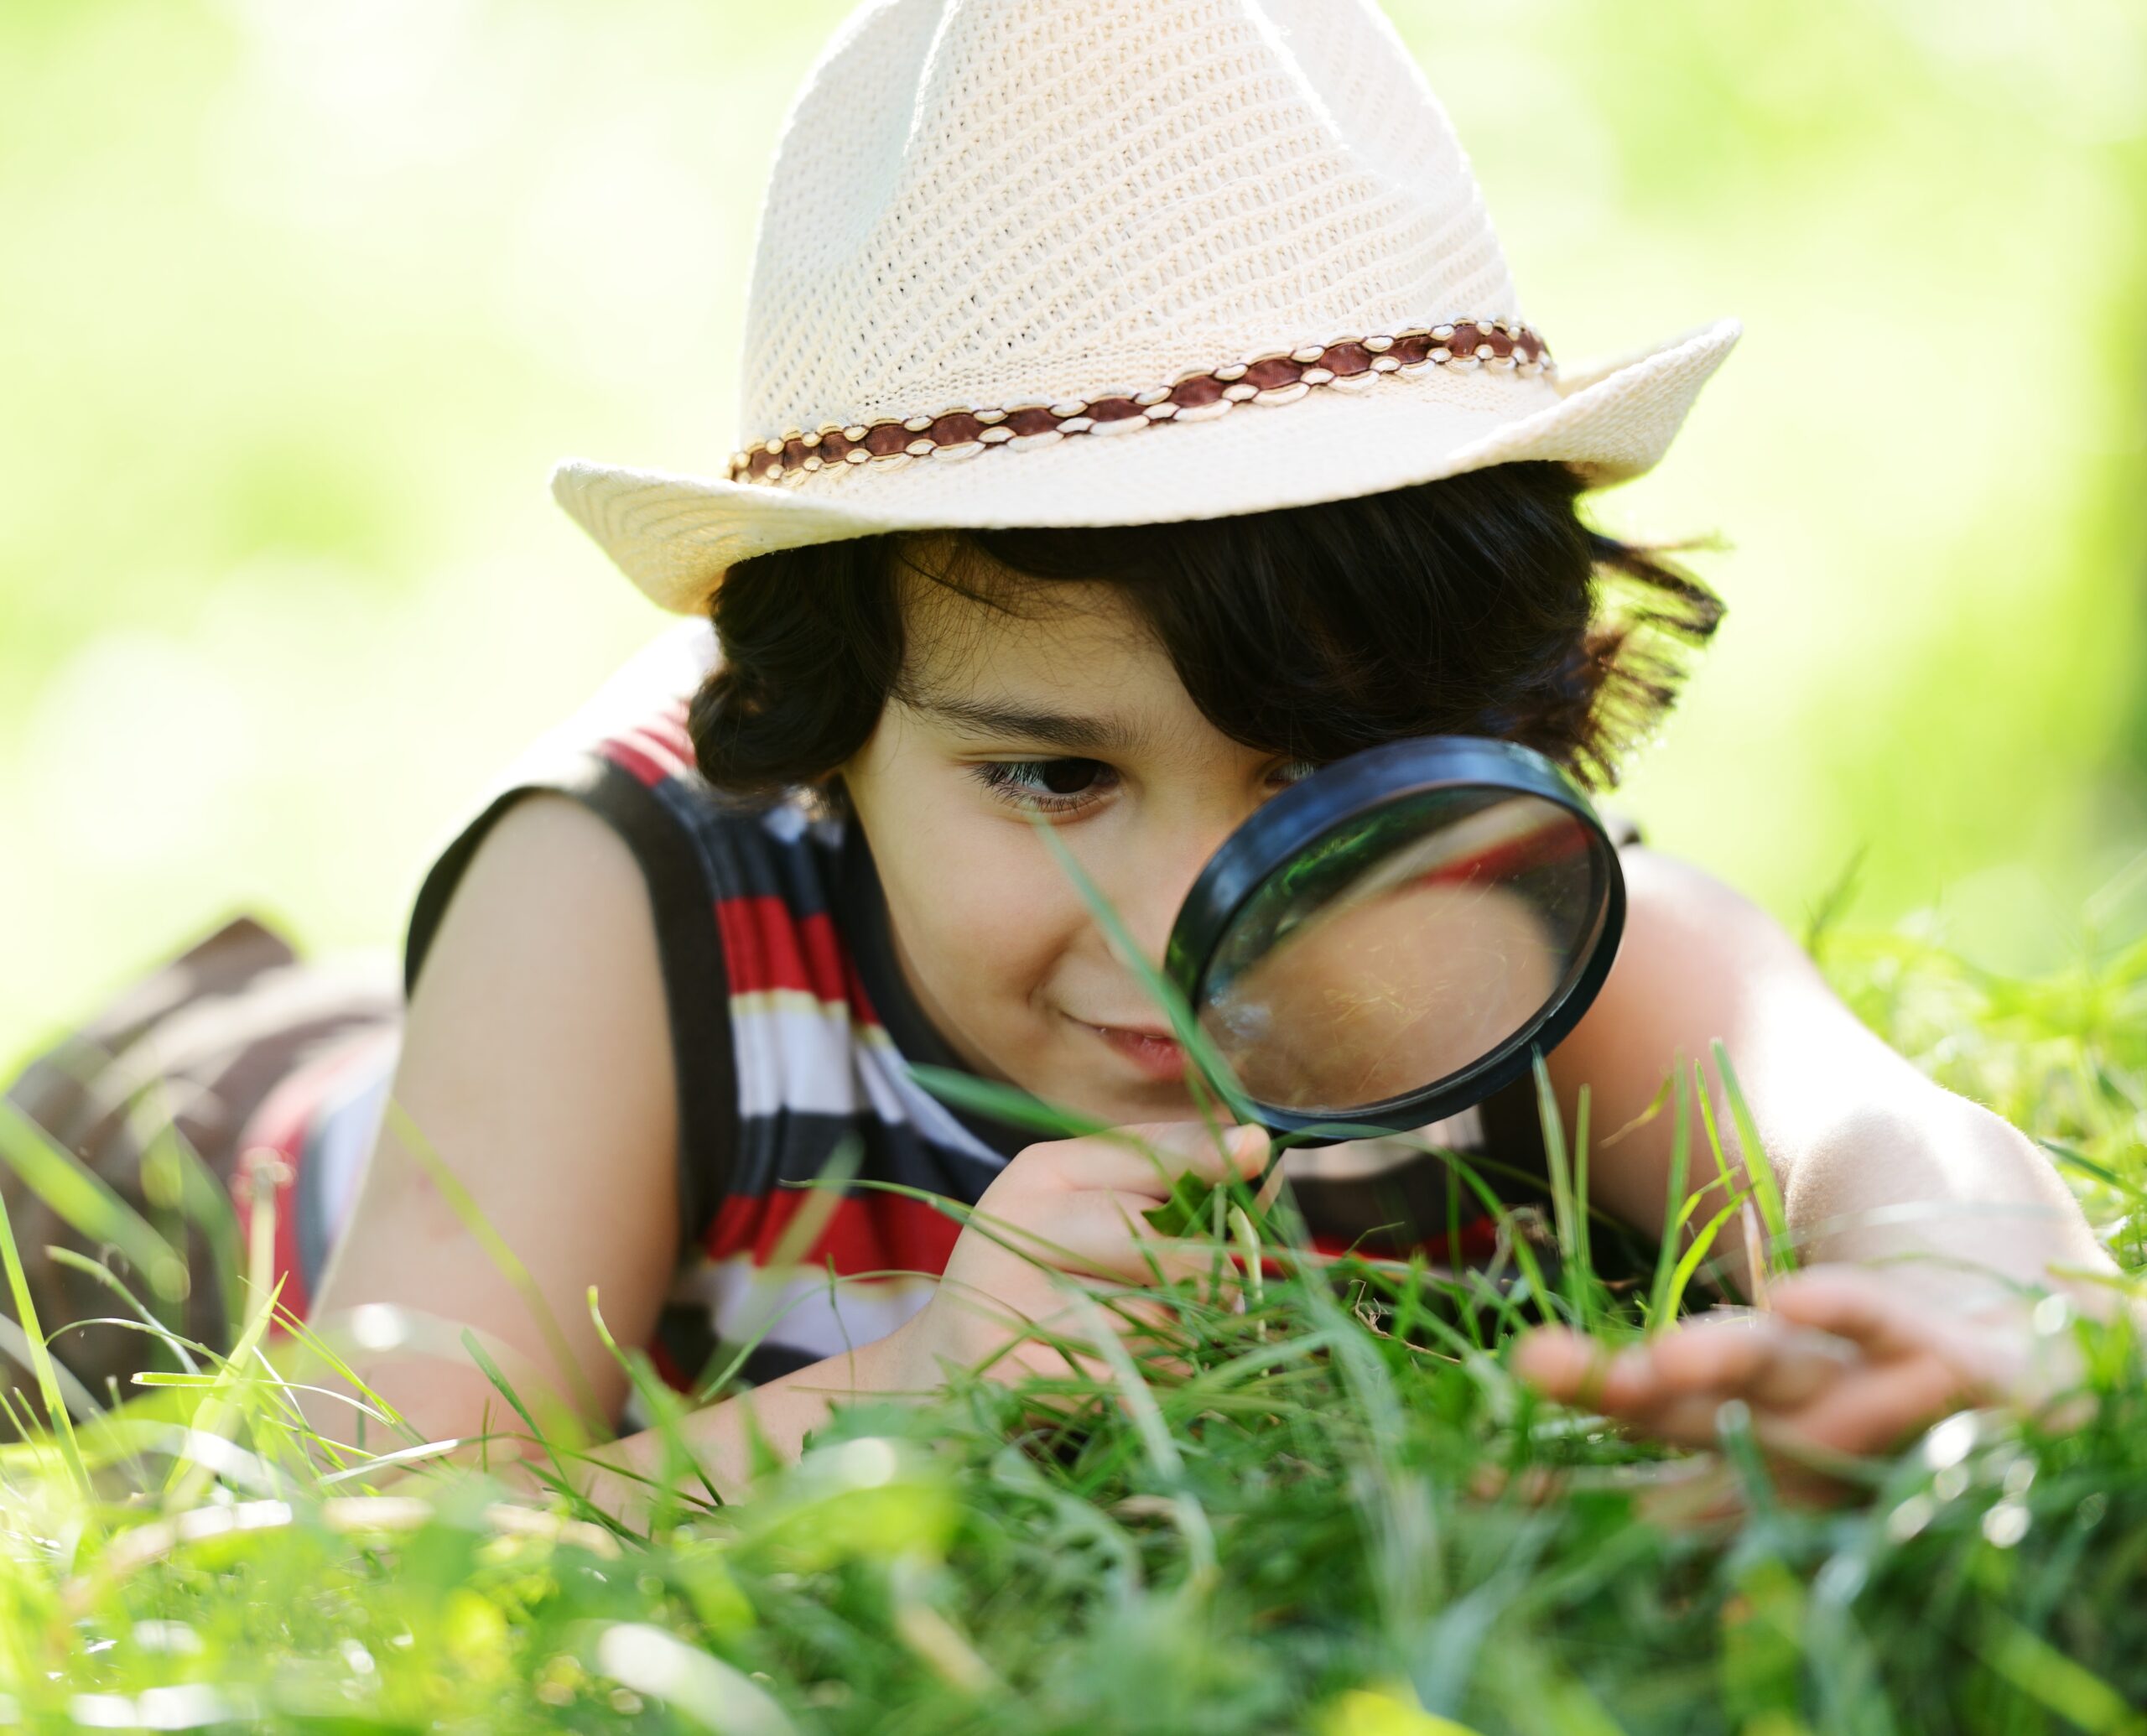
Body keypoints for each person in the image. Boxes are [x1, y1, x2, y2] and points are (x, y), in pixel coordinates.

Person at [5, 0, 2113, 1523]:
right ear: (828, 732)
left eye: (1312, 770)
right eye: (1050, 779)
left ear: (1494, 724)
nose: (1177, 917)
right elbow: (346, 1531)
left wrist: (1939, 1340)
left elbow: (1874, 1147)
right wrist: (919, 1388)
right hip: (182, 1199)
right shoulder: (623, 900)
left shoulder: (1490, 924)